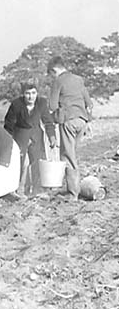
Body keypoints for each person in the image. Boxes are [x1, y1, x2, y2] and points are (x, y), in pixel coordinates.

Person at [47, 56, 93, 201]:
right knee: (73, 155)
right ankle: (73, 188)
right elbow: (89, 103)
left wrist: (54, 118)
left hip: (68, 121)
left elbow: (52, 106)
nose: (52, 77)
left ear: (55, 70)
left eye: (51, 74)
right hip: (82, 121)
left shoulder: (58, 81)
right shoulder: (79, 79)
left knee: (68, 156)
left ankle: (73, 194)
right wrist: (88, 121)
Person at [4, 80, 57, 196]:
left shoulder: (42, 103)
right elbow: (9, 125)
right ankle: (17, 190)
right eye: (28, 93)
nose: (31, 96)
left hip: (36, 135)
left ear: (37, 93)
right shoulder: (16, 105)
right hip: (20, 135)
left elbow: (48, 122)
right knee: (19, 163)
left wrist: (52, 137)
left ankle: (37, 190)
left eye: (33, 93)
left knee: (37, 162)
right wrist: (9, 141)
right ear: (23, 94)